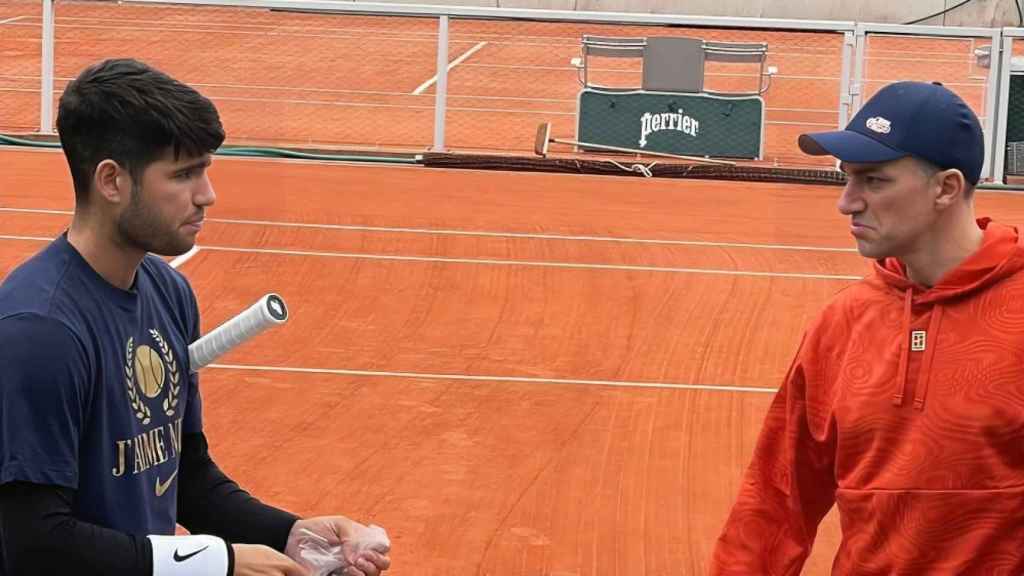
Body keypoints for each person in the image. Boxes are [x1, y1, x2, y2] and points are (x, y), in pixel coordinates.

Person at [0, 58, 391, 576]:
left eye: (205, 169)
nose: (207, 194)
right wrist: (215, 561)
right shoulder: (40, 331)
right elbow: (35, 542)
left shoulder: (170, 293)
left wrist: (290, 535)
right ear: (112, 181)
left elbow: (185, 475)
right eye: (184, 174)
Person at [710, 80, 1024, 574]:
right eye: (848, 178)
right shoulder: (844, 321)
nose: (847, 202)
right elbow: (776, 497)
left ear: (946, 188)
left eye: (874, 181)